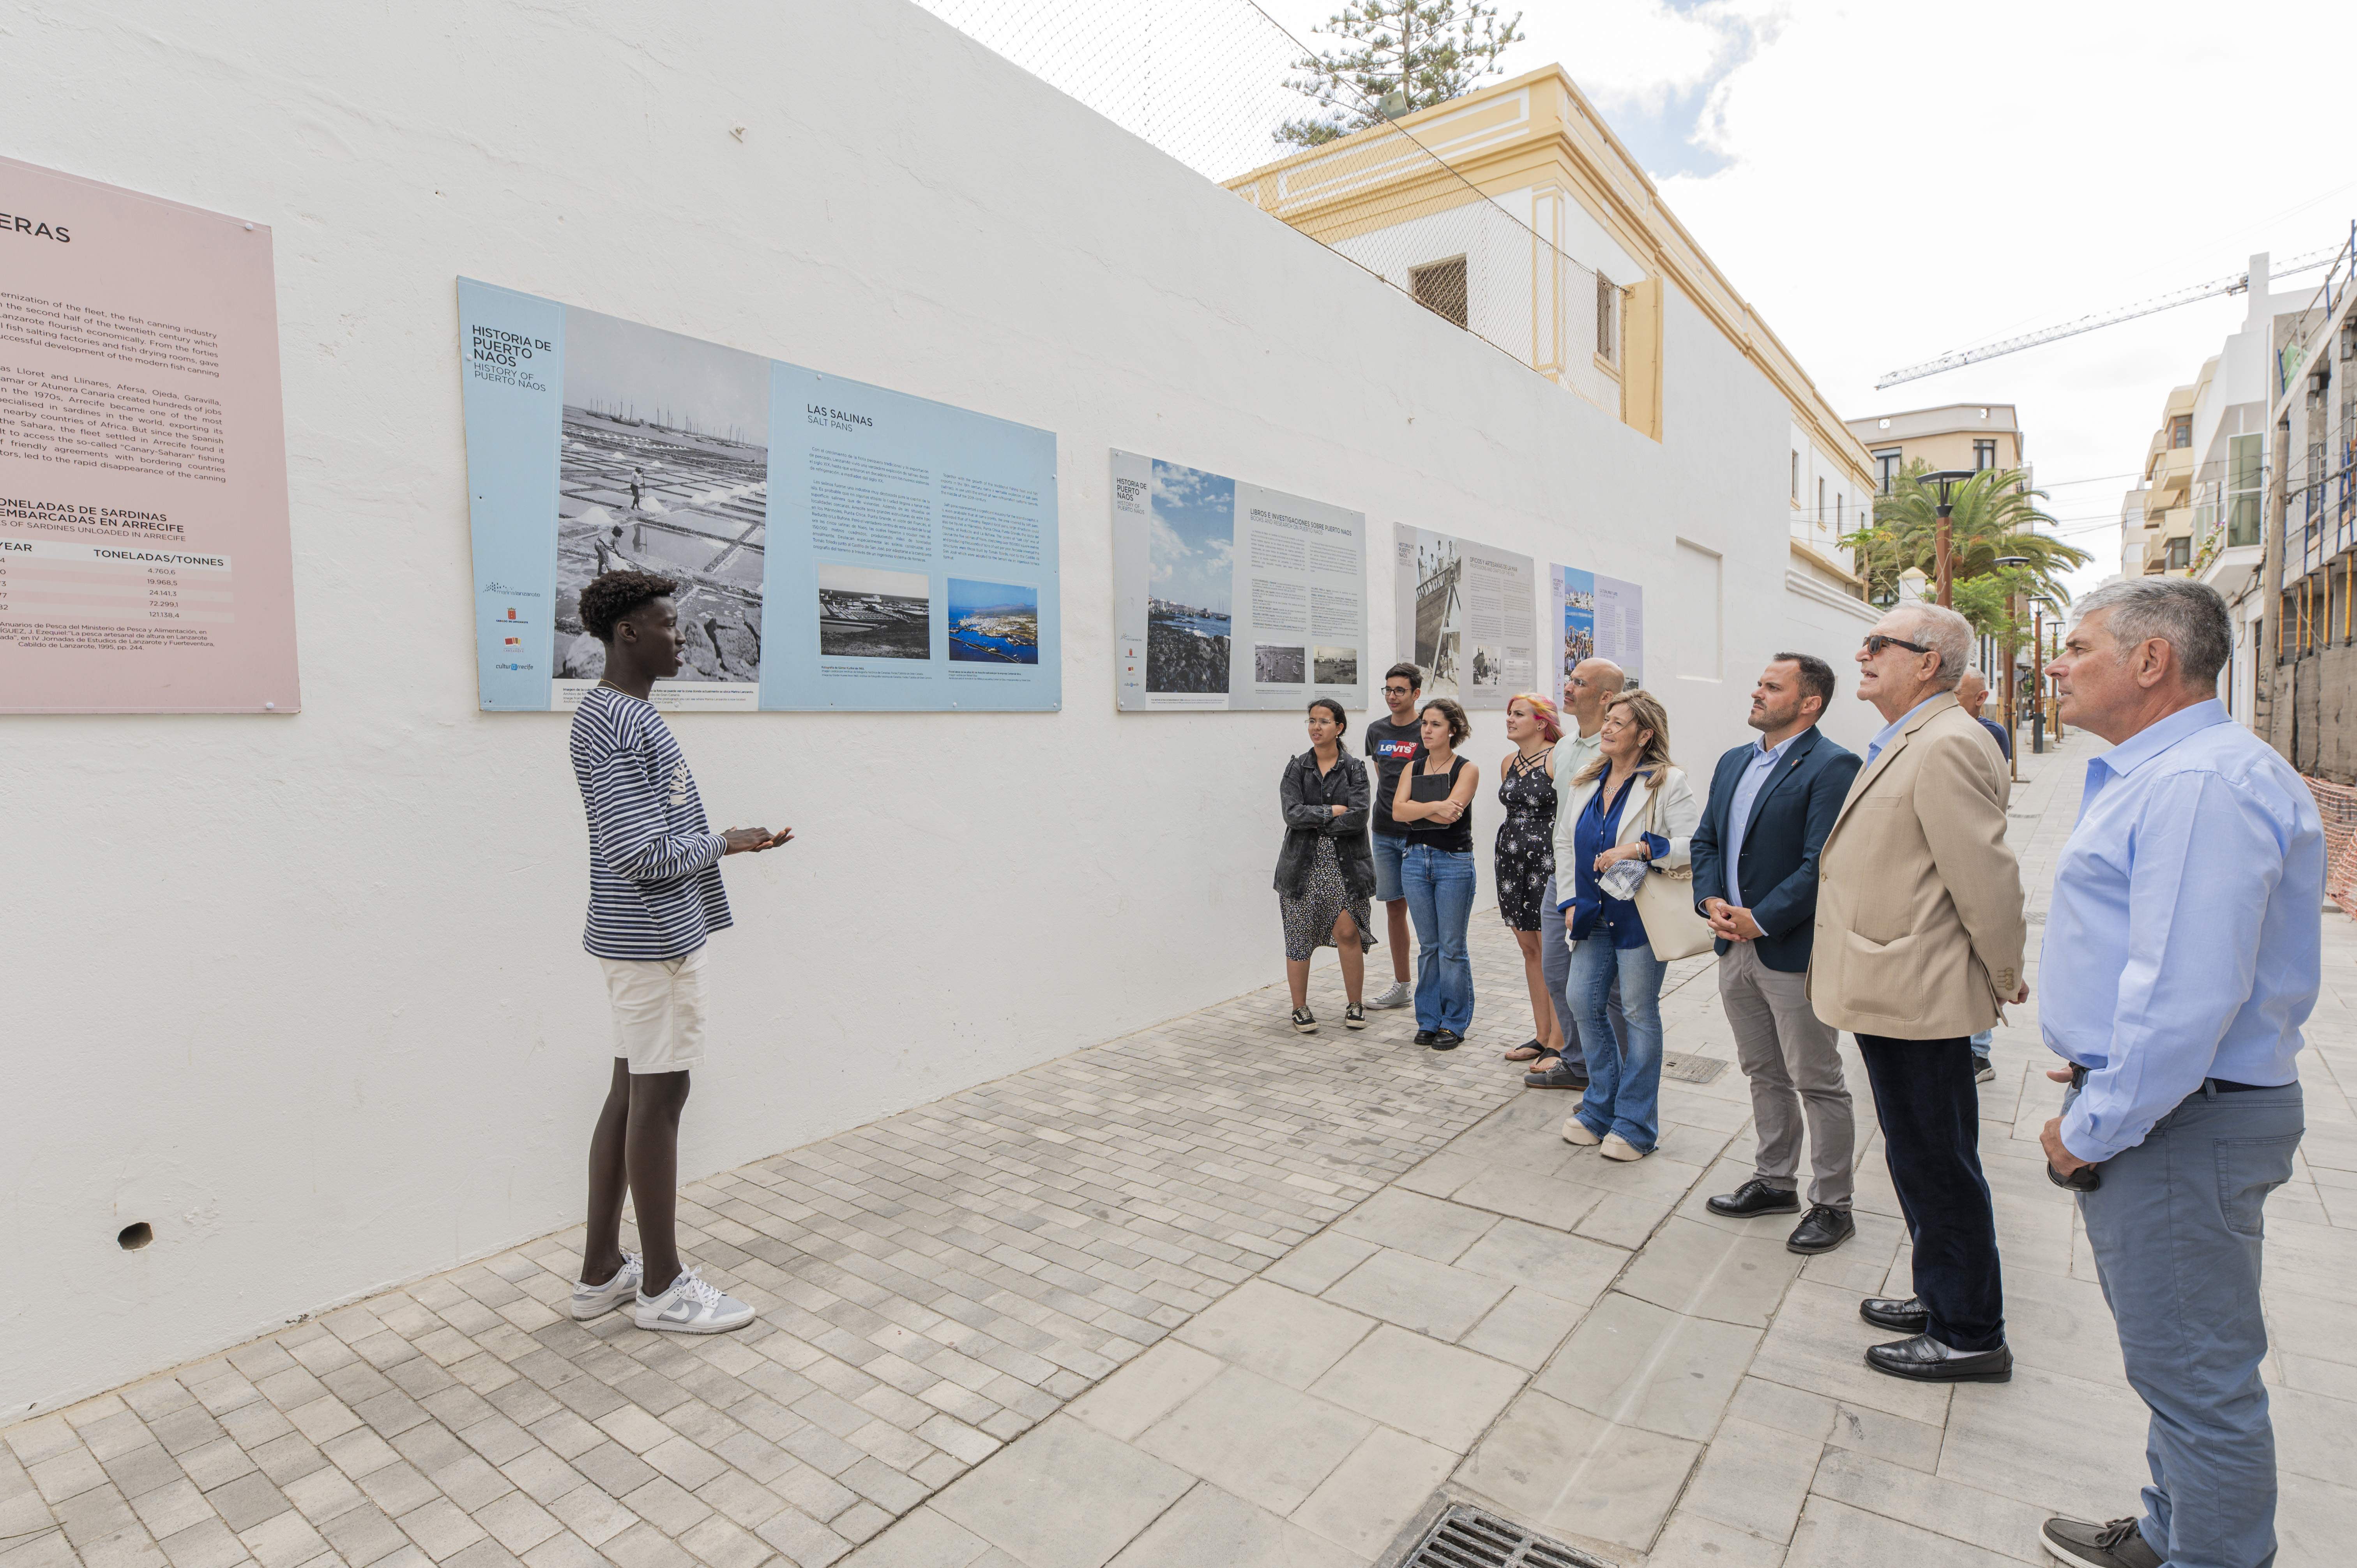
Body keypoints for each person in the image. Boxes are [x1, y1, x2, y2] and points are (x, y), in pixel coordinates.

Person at [2031, 580, 2323, 1568]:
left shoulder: (2198, 782)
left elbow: (2184, 998)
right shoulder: (2176, 771)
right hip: (2173, 1109)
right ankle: (2170, 1529)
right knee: (2175, 1359)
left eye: (2077, 646)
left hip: (2178, 1115)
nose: (2057, 664)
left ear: (2151, 660)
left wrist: (2093, 1123)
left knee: (2200, 1377)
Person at [569, 570, 790, 1335]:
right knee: (659, 1101)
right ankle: (662, 1287)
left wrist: (725, 840)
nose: (683, 635)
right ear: (628, 632)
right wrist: (725, 841)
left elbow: (644, 842)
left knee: (632, 1093)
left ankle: (601, 1271)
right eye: (668, 623)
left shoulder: (611, 713)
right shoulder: (620, 721)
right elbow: (640, 854)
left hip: (635, 937)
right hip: (653, 939)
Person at [1811, 603, 2026, 1384]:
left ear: (1930, 661)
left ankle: (1971, 1330)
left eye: (1881, 644)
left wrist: (2004, 975)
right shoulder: (1909, 735)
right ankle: (1943, 1294)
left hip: (1922, 989)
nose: (1862, 652)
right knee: (1915, 1152)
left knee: (1939, 1160)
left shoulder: (1949, 743)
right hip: (1894, 985)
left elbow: (1988, 879)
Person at [1690, 654, 1862, 1254]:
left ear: (1809, 702)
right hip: (1731, 945)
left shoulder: (1833, 765)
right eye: (1759, 683)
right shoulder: (1734, 760)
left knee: (1817, 1079)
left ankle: (1833, 1204)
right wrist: (1709, 899)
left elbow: (1824, 863)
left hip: (1789, 948)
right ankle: (1774, 1180)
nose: (1757, 692)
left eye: (1771, 686)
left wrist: (1760, 919)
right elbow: (1706, 839)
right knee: (1763, 1071)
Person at [1553, 690, 1698, 1160]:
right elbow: (1565, 844)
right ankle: (1599, 1109)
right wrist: (1570, 900)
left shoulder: (1667, 782)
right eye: (1608, 720)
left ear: (1645, 734)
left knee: (1637, 1011)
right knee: (1582, 1001)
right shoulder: (1585, 780)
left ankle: (1635, 1125)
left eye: (1620, 722)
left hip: (1641, 916)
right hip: (1592, 912)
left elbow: (1693, 845)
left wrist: (1639, 848)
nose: (1609, 728)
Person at [1520, 657, 1627, 1091]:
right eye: (1569, 679)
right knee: (1558, 972)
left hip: (1608, 880)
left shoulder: (1617, 749)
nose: (1568, 688)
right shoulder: (1564, 748)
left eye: (1579, 683)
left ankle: (1618, 1072)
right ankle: (1579, 1063)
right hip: (1561, 876)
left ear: (1605, 697)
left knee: (1610, 987)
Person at [1277, 697, 1376, 1034]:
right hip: (1301, 865)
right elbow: (1291, 814)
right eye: (1311, 721)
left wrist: (1315, 818)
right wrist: (1331, 811)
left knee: (1347, 932)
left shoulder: (1354, 768)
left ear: (1340, 727)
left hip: (1346, 865)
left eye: (1323, 721)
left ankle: (1355, 1003)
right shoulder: (1296, 768)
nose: (1316, 727)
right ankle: (1299, 1008)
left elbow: (1359, 815)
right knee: (1299, 937)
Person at [1391, 698, 1480, 1049]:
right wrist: (1433, 807)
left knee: (1452, 947)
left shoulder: (1467, 769)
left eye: (1436, 724)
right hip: (1414, 860)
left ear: (1452, 729)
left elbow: (1451, 816)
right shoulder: (1412, 768)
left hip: (1453, 862)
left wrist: (1419, 810)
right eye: (1425, 724)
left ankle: (1453, 1023)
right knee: (1429, 947)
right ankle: (1427, 1019)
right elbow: (1397, 812)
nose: (1427, 730)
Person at [1495, 694, 1565, 1065]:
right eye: (1509, 713)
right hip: (1511, 862)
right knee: (1529, 949)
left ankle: (1560, 1039)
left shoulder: (1558, 757)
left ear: (1541, 722)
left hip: (1547, 862)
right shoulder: (1509, 761)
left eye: (1518, 714)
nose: (1510, 719)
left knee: (1553, 950)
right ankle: (1541, 1035)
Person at [1952, 667, 2012, 1084]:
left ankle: (1977, 1054)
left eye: (1957, 693)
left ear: (1980, 697)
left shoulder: (1989, 735)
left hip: (1971, 857)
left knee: (1974, 956)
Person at [1362, 664, 1426, 1009]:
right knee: (1394, 909)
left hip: (1419, 833)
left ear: (1416, 694)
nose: (1392, 696)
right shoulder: (1376, 731)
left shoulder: (1426, 730)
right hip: (1384, 832)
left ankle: (1435, 989)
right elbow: (1382, 776)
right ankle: (1402, 986)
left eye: (1400, 690)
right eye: (1388, 689)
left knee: (1425, 912)